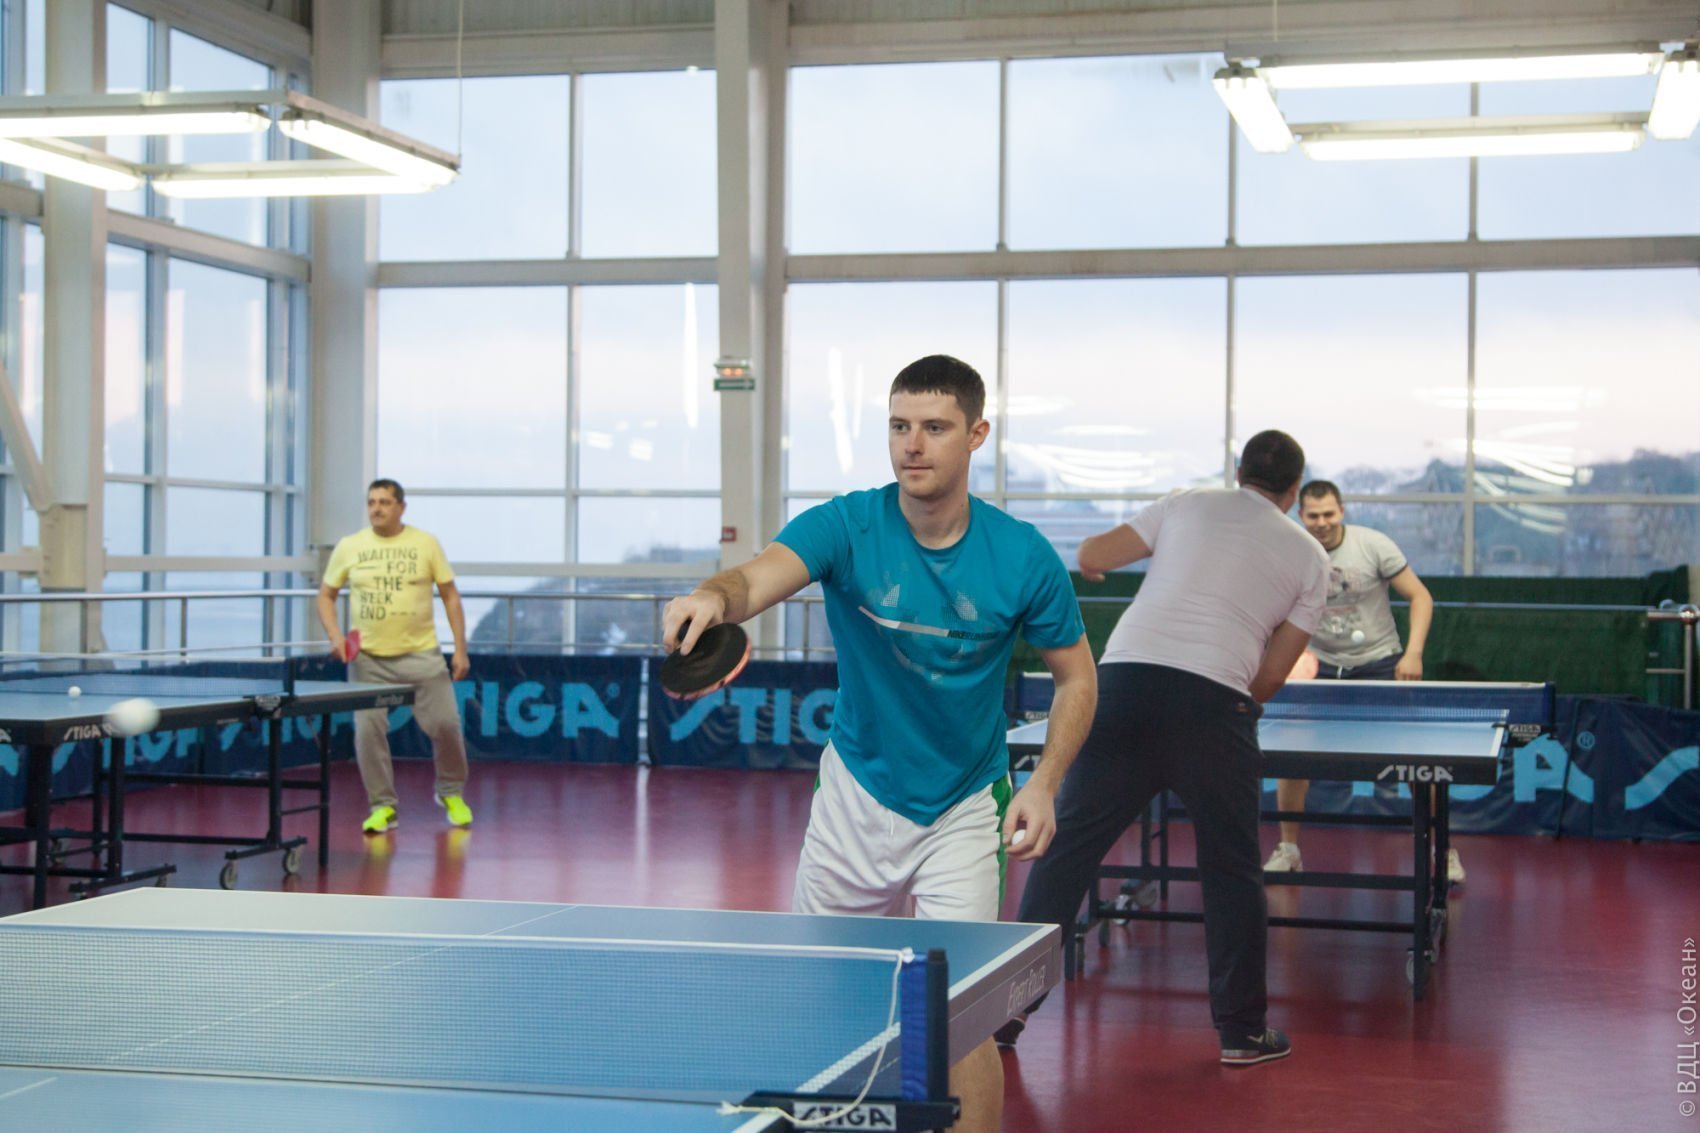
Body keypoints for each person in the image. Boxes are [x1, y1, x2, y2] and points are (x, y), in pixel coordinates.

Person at [662, 355, 1096, 1133]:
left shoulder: (1021, 555)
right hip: (856, 797)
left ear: (976, 434)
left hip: (963, 806)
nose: (912, 444)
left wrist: (1044, 781)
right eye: (899, 426)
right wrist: (710, 597)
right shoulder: (846, 526)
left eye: (934, 427)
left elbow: (1077, 678)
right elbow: (753, 580)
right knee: (821, 999)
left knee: (962, 1016)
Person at [1002, 430, 1328, 1068]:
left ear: (1239, 471)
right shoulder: (1311, 557)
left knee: (1068, 852)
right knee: (1233, 869)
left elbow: (1092, 551)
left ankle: (1007, 1012)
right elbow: (1269, 677)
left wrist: (1098, 564)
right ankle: (1242, 1032)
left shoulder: (1187, 502)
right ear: (1293, 491)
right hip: (1215, 705)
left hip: (1121, 688)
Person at [1262, 480, 1454, 883]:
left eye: (1328, 514)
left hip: (1379, 664)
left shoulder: (1373, 545)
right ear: (1301, 515)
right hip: (1320, 668)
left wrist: (1413, 653)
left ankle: (1443, 850)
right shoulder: (1292, 551)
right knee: (1292, 758)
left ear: (1342, 511)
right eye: (1313, 515)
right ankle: (1289, 849)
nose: (1321, 522)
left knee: (1418, 763)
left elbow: (1420, 597)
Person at [317, 478, 473, 834]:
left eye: (385, 502)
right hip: (368, 660)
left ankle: (450, 792)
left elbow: (450, 595)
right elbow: (326, 595)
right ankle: (382, 806)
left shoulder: (425, 543)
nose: (377, 508)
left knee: (446, 726)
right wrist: (336, 636)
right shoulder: (350, 546)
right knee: (367, 733)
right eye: (372, 502)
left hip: (422, 654)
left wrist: (460, 649)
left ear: (401, 507)